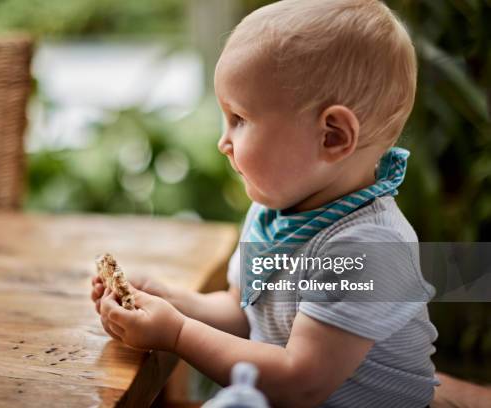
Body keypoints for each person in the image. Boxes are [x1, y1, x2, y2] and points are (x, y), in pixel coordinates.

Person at [92, 1, 439, 406]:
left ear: (332, 136)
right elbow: (243, 316)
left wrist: (178, 334)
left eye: (239, 118)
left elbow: (300, 381)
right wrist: (170, 300)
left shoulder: (368, 249)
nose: (223, 143)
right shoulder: (274, 214)